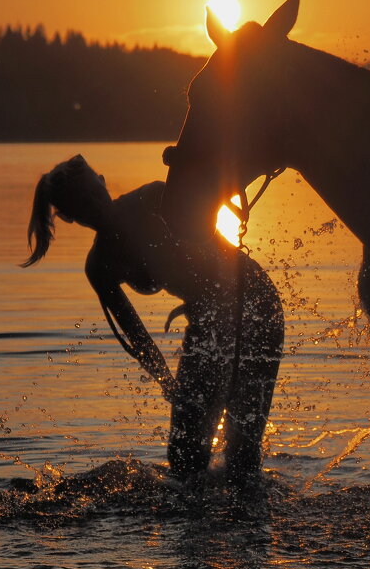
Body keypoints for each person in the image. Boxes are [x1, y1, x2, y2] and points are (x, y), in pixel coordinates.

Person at [22, 154, 283, 486]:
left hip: (254, 300)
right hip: (207, 320)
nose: (94, 206)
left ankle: (248, 522)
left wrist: (208, 299)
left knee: (243, 452)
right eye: (82, 205)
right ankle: (201, 523)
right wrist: (166, 382)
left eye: (93, 194)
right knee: (186, 458)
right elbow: (136, 337)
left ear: (102, 181)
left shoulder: (154, 197)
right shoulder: (100, 265)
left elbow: (214, 242)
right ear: (69, 217)